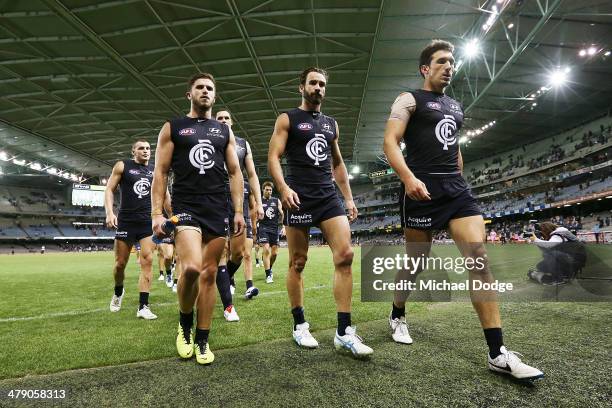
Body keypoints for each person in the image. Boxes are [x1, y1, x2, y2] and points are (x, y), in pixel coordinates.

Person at [382, 40, 543, 380]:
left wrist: (458, 177)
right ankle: (397, 313)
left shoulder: (455, 106)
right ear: (425, 68)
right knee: (416, 263)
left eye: (452, 62)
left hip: (456, 192)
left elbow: (453, 148)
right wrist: (408, 177)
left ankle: (497, 353)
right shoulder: (408, 99)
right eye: (442, 61)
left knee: (478, 259)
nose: (449, 66)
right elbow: (390, 142)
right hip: (420, 190)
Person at [268, 67, 373, 357]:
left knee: (346, 255)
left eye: (322, 84)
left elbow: (337, 164)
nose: (318, 88)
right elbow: (273, 157)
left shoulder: (331, 125)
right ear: (301, 87)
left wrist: (349, 198)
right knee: (298, 262)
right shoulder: (287, 119)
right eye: (313, 83)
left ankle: (344, 332)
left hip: (327, 196)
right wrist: (283, 188)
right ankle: (300, 325)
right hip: (298, 196)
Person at [151, 72, 245, 365]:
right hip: (186, 206)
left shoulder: (223, 131)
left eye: (210, 89)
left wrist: (239, 210)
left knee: (209, 275)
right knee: (190, 269)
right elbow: (161, 173)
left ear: (215, 96)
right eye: (200, 88)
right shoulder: (173, 128)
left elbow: (234, 172)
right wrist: (156, 213)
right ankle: (184, 324)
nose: (205, 91)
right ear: (189, 94)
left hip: (217, 209)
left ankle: (203, 339)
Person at [105, 139, 168, 320]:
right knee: (120, 265)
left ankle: (143, 306)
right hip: (125, 221)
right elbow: (109, 189)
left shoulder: (156, 170)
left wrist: (171, 217)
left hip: (146, 222)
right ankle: (118, 291)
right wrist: (110, 213)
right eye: (141, 148)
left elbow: (165, 195)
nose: (146, 151)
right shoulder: (122, 166)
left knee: (147, 261)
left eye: (148, 148)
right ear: (134, 151)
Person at [215, 110, 264, 306]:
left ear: (232, 121)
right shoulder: (208, 140)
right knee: (220, 250)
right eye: (219, 118)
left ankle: (225, 277)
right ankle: (223, 291)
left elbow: (251, 174)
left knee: (238, 252)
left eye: (227, 117)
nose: (224, 120)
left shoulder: (243, 144)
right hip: (215, 199)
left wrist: (259, 202)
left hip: (238, 200)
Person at [258, 181, 285, 284]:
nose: (269, 191)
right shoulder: (259, 201)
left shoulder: (276, 201)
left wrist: (284, 227)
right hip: (263, 228)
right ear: (263, 190)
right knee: (266, 250)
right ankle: (268, 274)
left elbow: (282, 213)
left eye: (270, 190)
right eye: (267, 189)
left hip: (274, 229)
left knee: (274, 253)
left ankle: (269, 268)